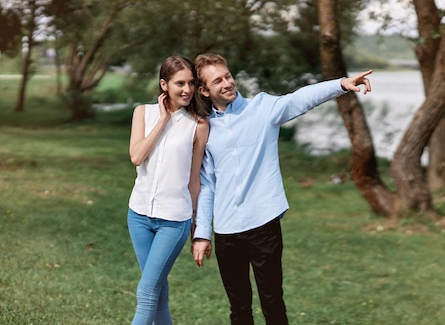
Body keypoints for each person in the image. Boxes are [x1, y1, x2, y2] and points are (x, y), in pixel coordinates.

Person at [191, 53, 372, 325]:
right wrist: (202, 233)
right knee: (239, 309)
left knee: (273, 303)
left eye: (228, 76)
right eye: (218, 81)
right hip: (227, 231)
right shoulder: (205, 128)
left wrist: (341, 84)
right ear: (204, 90)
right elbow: (207, 184)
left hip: (263, 224)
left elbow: (298, 99)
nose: (227, 83)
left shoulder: (262, 108)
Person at [127, 55, 209, 325]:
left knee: (147, 290)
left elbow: (194, 179)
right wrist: (162, 121)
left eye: (192, 83)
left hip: (174, 220)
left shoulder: (198, 125)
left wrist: (198, 225)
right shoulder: (143, 113)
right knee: (158, 293)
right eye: (180, 83)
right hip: (138, 215)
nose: (187, 90)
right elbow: (137, 157)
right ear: (164, 85)